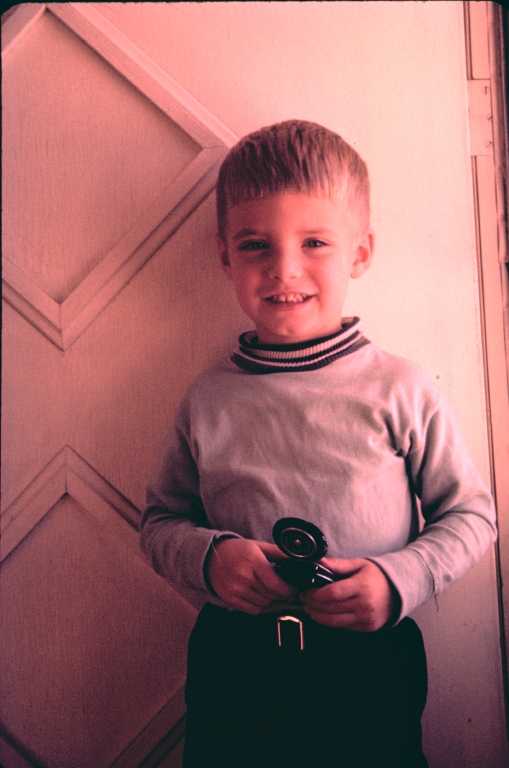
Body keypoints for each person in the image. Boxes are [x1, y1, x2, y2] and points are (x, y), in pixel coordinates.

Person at [140, 120, 497, 767]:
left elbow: (471, 515)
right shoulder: (206, 398)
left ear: (360, 252)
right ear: (224, 254)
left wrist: (399, 579)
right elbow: (159, 522)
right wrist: (209, 557)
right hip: (234, 670)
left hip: (369, 666)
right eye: (255, 245)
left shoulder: (401, 389)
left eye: (313, 243)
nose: (284, 269)